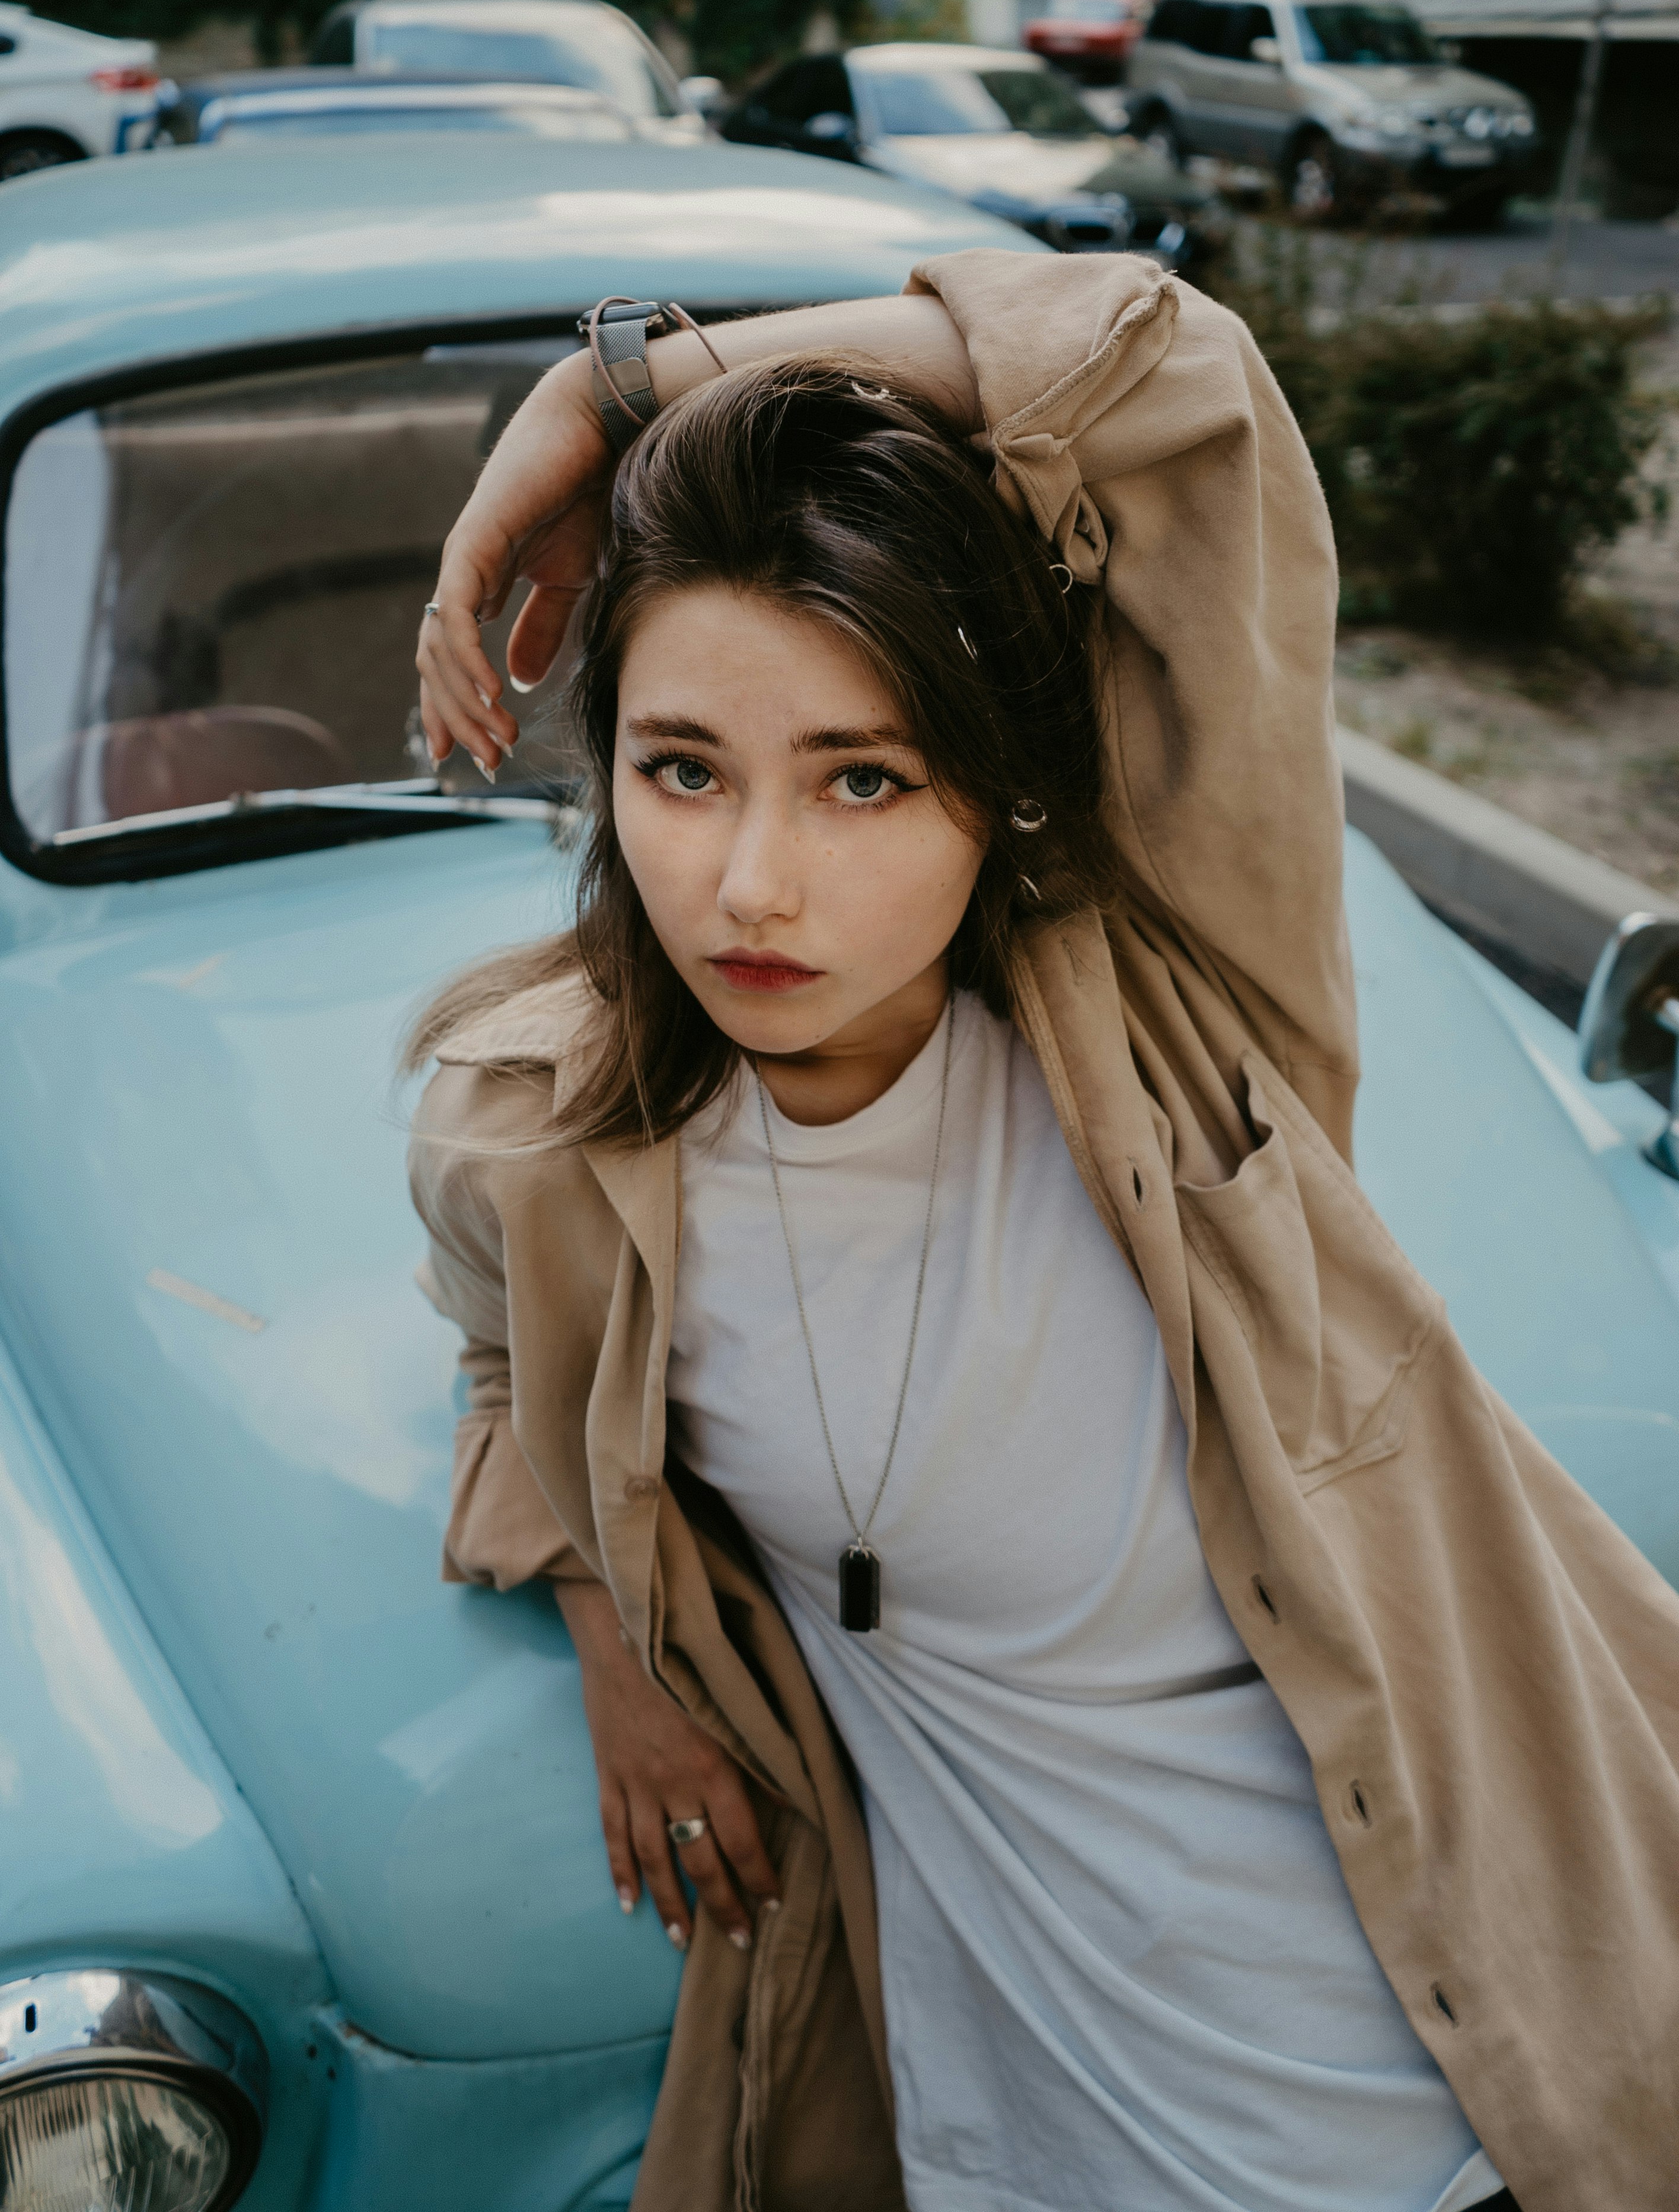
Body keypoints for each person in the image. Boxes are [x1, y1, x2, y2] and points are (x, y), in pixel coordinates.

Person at [407, 253, 1679, 2212]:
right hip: (1016, 2150)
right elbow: (510, 1352)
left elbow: (1186, 380)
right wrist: (614, 1627)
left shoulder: (1184, 1022)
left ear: (993, 792)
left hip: (1482, 2117)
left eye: (864, 778)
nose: (752, 884)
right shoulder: (535, 1133)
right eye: (682, 770)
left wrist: (611, 395)